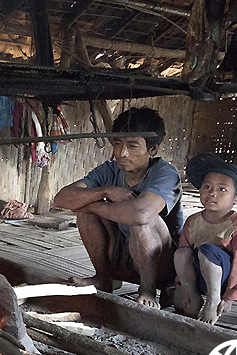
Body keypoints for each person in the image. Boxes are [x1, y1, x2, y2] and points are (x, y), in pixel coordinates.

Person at [53, 107, 184, 309]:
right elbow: (62, 199)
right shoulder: (110, 171)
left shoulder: (165, 173)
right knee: (84, 210)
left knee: (142, 221)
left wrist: (93, 206)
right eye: (117, 144)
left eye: (132, 146)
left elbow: (140, 214)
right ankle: (103, 278)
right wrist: (105, 192)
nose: (122, 153)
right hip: (124, 254)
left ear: (152, 149)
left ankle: (147, 289)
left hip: (164, 263)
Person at [174, 153, 237, 324]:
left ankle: (213, 301)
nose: (212, 193)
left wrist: (230, 296)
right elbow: (184, 252)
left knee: (208, 250)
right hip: (197, 276)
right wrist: (182, 286)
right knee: (181, 253)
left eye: (221, 189)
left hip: (222, 282)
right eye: (206, 187)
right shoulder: (193, 220)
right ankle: (193, 295)